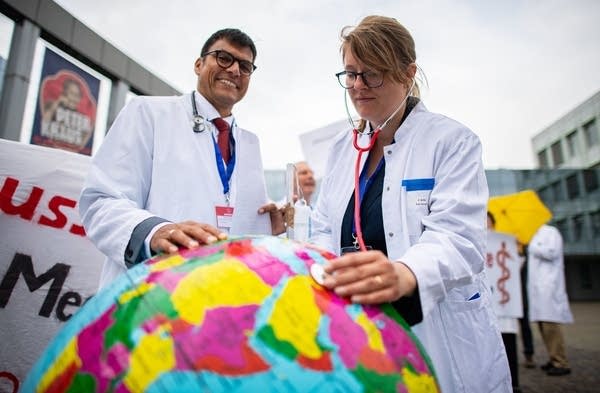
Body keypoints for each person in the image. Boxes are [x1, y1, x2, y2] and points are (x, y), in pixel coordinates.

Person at [310, 16, 511, 392]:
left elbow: (458, 237)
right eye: (350, 74)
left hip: (437, 327)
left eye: (372, 74)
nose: (357, 86)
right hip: (359, 325)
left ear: (408, 73)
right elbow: (323, 224)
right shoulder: (342, 148)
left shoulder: (451, 141)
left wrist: (404, 273)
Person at [79, 28, 283, 289]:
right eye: (223, 58)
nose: (234, 70)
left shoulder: (250, 143)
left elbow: (235, 224)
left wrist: (270, 226)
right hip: (150, 296)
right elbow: (100, 201)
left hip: (221, 303)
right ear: (199, 65)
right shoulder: (148, 113)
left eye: (245, 66)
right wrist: (154, 232)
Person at [527, 224, 573, 376]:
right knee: (542, 326)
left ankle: (561, 362)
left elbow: (551, 253)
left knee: (551, 326)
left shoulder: (550, 232)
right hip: (538, 289)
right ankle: (552, 358)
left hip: (549, 287)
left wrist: (531, 244)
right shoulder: (533, 234)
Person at [488, 212, 522, 393]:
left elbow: (516, 269)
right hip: (486, 302)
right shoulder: (474, 240)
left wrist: (516, 252)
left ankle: (514, 383)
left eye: (488, 221)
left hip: (504, 302)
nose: (485, 224)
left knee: (508, 342)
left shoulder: (505, 243)